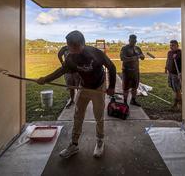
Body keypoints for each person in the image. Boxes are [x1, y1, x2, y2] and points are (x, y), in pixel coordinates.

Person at [37, 30, 116, 159]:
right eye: (70, 46)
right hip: (83, 87)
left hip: (98, 87)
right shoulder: (70, 58)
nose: (72, 50)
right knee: (78, 115)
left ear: (83, 44)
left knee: (99, 116)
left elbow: (111, 67)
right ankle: (74, 144)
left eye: (75, 46)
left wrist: (111, 87)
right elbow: (61, 71)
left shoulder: (96, 53)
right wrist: (45, 79)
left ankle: (100, 141)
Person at [120, 34, 145, 107]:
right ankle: (125, 102)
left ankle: (133, 100)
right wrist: (135, 57)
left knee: (135, 87)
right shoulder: (124, 48)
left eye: (135, 41)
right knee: (126, 88)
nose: (133, 42)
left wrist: (142, 56)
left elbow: (142, 57)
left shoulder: (137, 48)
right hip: (126, 71)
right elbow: (123, 58)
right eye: (132, 40)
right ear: (129, 40)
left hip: (135, 71)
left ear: (136, 40)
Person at [165, 40, 182, 111]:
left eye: (173, 45)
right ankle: (177, 102)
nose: (171, 47)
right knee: (173, 88)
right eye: (170, 45)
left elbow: (182, 63)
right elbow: (168, 60)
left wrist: (181, 73)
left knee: (177, 89)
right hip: (170, 73)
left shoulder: (180, 52)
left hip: (176, 74)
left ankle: (179, 105)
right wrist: (166, 68)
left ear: (177, 46)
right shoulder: (169, 52)